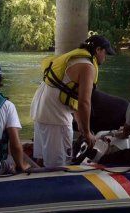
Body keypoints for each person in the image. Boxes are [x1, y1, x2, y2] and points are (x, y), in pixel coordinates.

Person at [30, 35, 116, 167]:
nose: (106, 57)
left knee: (43, 158)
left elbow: (69, 94)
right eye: (106, 53)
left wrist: (81, 124)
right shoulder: (87, 66)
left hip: (41, 110)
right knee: (58, 165)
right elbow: (84, 102)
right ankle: (54, 185)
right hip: (56, 118)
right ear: (98, 50)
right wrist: (87, 132)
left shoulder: (74, 59)